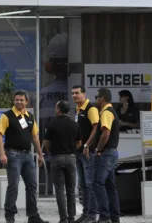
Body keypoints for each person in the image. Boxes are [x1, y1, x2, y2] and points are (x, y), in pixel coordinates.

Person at [0, 90, 48, 223]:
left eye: (21, 100)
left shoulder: (30, 116)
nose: (18, 102)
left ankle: (33, 216)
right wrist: (2, 154)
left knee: (32, 186)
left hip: (28, 156)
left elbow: (35, 136)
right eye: (16, 100)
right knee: (13, 186)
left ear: (26, 101)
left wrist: (40, 155)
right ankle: (10, 216)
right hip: (12, 155)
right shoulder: (7, 116)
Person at [43, 100, 82, 223]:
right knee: (71, 189)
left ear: (59, 110)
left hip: (57, 157)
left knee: (59, 189)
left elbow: (46, 143)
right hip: (71, 158)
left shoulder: (51, 124)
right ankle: (71, 218)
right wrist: (71, 151)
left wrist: (51, 152)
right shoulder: (75, 125)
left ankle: (63, 218)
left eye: (56, 108)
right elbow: (79, 143)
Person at [93, 88, 120, 223]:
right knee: (110, 186)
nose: (96, 99)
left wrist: (98, 148)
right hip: (112, 152)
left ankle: (104, 216)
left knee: (97, 183)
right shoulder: (111, 111)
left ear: (102, 98)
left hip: (106, 153)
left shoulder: (106, 113)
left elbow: (106, 133)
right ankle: (115, 217)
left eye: (97, 96)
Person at [72, 85, 99, 223]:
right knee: (82, 184)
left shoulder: (91, 108)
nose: (74, 95)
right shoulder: (77, 110)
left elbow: (96, 127)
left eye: (77, 93)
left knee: (89, 184)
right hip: (78, 153)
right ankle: (86, 212)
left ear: (84, 94)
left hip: (88, 152)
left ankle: (92, 215)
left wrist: (87, 145)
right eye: (73, 93)